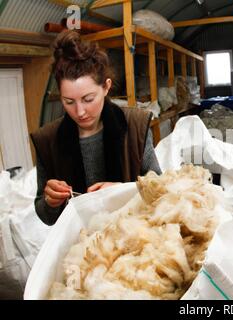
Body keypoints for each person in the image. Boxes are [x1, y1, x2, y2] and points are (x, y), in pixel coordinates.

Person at [31, 31, 161, 226]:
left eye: (88, 99)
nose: (80, 112)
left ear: (106, 87)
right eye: (68, 102)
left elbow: (161, 191)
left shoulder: (135, 125)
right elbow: (46, 217)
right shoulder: (47, 139)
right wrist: (50, 201)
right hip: (81, 242)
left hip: (133, 234)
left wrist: (123, 191)